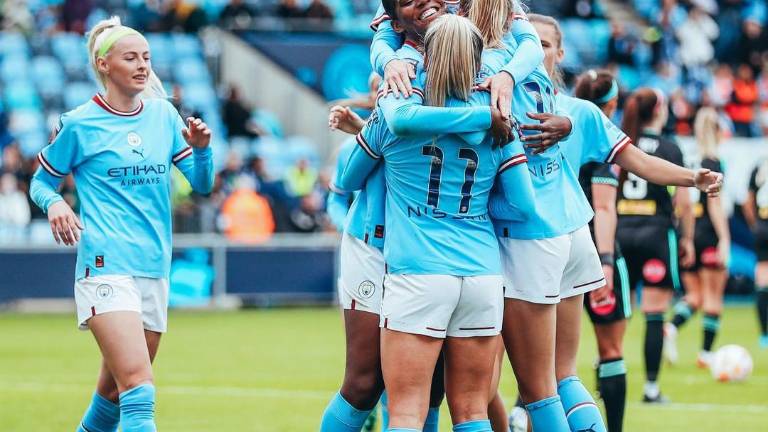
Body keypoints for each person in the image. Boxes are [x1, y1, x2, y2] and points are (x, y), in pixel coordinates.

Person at [512, 14, 723, 431]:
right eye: (527, 42)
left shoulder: (560, 111)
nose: (533, 51)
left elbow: (636, 161)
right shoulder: (571, 112)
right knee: (562, 376)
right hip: (573, 240)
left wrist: (691, 179)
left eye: (544, 44)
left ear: (561, 53)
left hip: (533, 243)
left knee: (526, 385)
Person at [338, 13, 535, 432]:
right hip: (480, 275)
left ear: (425, 54)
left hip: (418, 273)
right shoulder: (500, 118)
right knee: (472, 411)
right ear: (479, 59)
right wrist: (474, 210)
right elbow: (523, 206)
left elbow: (347, 180)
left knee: (407, 411)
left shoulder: (395, 111)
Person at [28, 17, 214, 432]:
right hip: (105, 265)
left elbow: (202, 185)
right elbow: (40, 182)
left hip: (154, 265)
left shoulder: (164, 115)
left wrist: (202, 151)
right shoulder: (79, 123)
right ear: (103, 64)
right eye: (130, 58)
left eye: (146, 57)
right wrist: (55, 203)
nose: (142, 65)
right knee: (138, 390)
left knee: (112, 397)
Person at [616, 87, 694, 404]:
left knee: (617, 316)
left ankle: (606, 382)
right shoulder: (670, 148)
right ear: (660, 110)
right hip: (656, 236)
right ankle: (651, 389)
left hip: (620, 234)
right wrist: (687, 238)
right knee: (654, 312)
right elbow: (684, 203)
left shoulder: (621, 142)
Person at [665, 107, 730, 367]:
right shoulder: (712, 163)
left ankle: (671, 327)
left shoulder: (687, 161)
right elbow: (715, 205)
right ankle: (705, 354)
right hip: (708, 234)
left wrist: (685, 235)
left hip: (688, 232)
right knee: (713, 297)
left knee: (694, 296)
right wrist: (724, 238)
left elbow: (679, 201)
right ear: (717, 131)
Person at [743, 161, 768, 349]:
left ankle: (764, 335)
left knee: (763, 278)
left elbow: (748, 202)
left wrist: (756, 225)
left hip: (762, 227)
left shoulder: (760, 165)